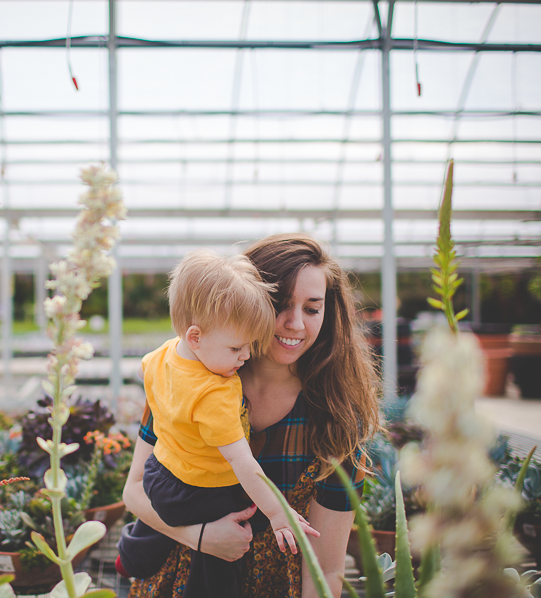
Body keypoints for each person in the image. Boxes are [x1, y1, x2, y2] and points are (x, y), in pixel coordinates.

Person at [122, 234, 381, 598]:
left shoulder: (334, 414)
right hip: (177, 580)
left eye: (312, 308)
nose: (295, 324)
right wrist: (200, 537)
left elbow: (326, 567)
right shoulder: (189, 381)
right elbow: (134, 491)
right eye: (280, 304)